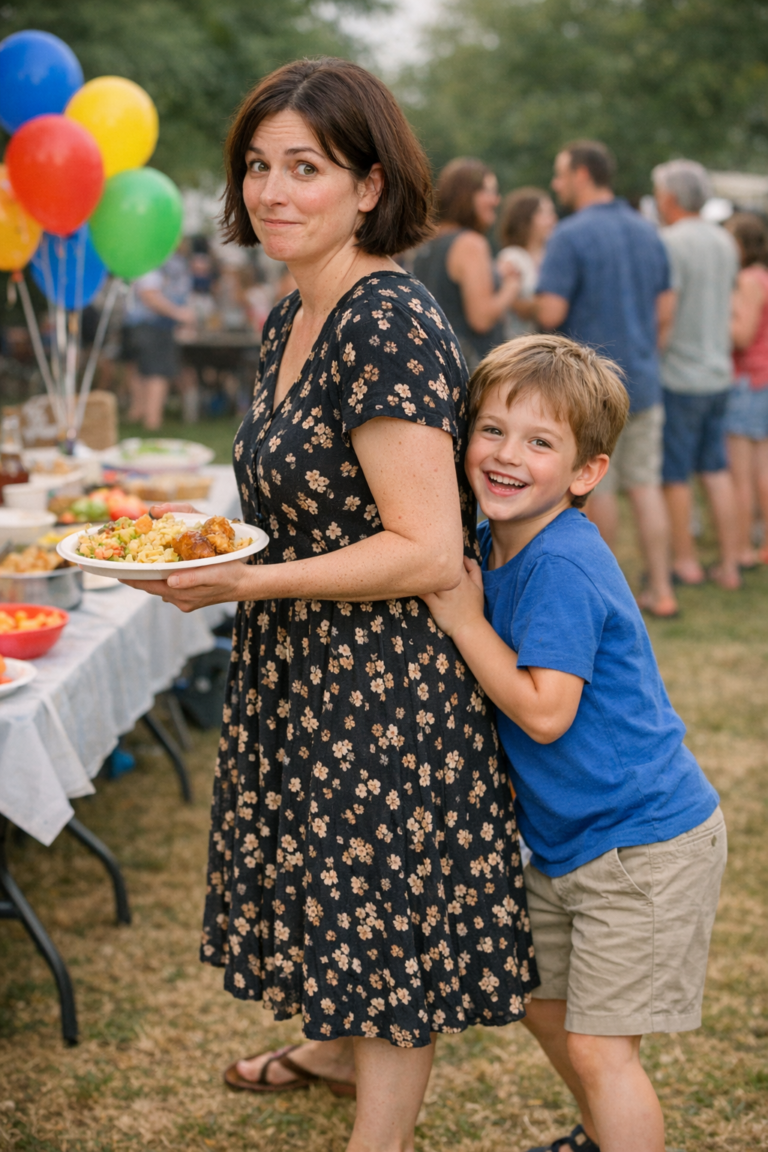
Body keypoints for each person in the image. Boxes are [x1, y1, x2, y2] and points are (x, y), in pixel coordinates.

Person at [125, 57, 537, 1152]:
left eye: (304, 167)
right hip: (305, 664)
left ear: (368, 184)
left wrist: (242, 581)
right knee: (328, 896)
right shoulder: (286, 316)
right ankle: (323, 1049)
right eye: (258, 166)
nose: (271, 191)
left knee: (383, 927)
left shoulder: (383, 319)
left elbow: (425, 548)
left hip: (385, 682)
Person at [422, 334, 726, 1152]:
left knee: (600, 1046)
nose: (506, 454)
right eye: (491, 430)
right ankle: (600, 1132)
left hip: (643, 843)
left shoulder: (561, 562)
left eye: (539, 441)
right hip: (570, 846)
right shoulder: (498, 541)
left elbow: (546, 712)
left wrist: (460, 618)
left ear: (587, 473)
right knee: (544, 1002)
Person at [517, 139, 678, 619]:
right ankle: (663, 589)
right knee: (645, 486)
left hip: (587, 391)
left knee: (594, 490)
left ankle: (610, 599)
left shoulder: (570, 235)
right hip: (645, 378)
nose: (556, 184)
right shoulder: (648, 231)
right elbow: (666, 309)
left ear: (583, 174)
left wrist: (520, 303)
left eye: (561, 174)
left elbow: (550, 310)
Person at [653, 159, 742, 590]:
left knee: (675, 474)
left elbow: (665, 312)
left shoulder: (670, 242)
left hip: (680, 375)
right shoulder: (725, 241)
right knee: (717, 470)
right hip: (718, 371)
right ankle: (729, 563)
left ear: (669, 198)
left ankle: (686, 561)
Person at [413, 157, 520, 369]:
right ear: (465, 195)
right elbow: (480, 319)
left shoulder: (427, 242)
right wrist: (511, 286)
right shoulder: (471, 243)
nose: (496, 200)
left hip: (436, 364)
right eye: (489, 191)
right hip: (471, 368)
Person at [722, 212, 768, 567]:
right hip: (761, 381)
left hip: (747, 383)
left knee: (741, 475)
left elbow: (742, 334)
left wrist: (713, 319)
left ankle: (740, 551)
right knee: (761, 470)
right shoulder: (762, 276)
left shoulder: (747, 280)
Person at [123, 247, 197, 430]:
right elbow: (149, 295)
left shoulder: (158, 259)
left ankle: (137, 415)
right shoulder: (154, 260)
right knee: (157, 372)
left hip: (144, 324)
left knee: (141, 370)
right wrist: (179, 314)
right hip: (153, 324)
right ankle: (152, 422)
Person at [496, 187, 557, 338]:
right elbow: (515, 306)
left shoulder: (551, 256)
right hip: (516, 345)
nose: (553, 220)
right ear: (525, 217)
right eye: (545, 213)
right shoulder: (512, 257)